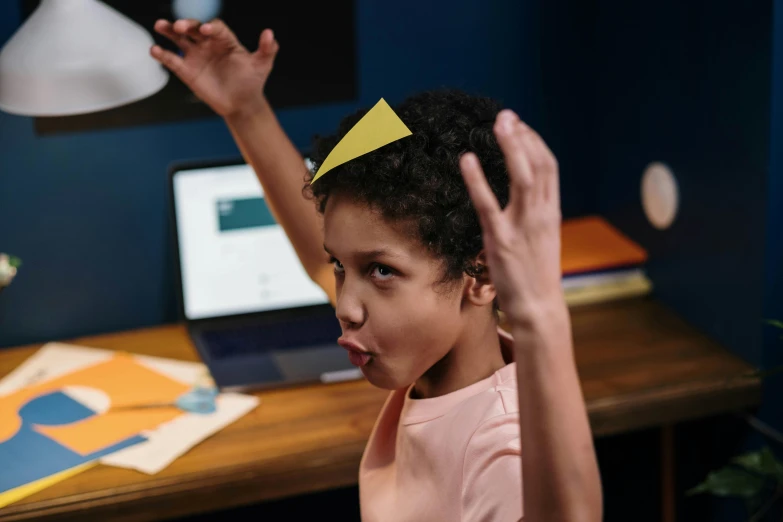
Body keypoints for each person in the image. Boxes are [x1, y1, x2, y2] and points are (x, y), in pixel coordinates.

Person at [150, 19, 602, 522]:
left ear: (481, 274)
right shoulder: (430, 356)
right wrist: (245, 110)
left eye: (381, 272)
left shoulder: (501, 452)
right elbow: (321, 251)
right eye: (343, 267)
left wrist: (542, 315)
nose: (344, 306)